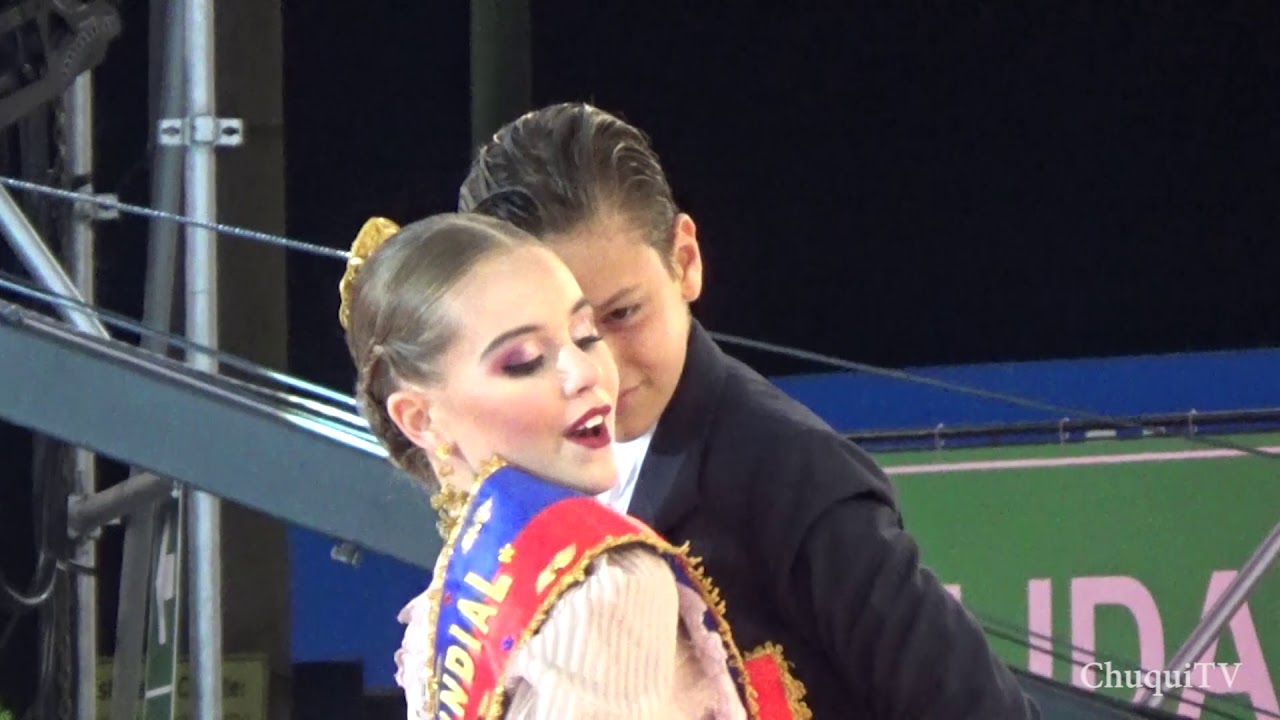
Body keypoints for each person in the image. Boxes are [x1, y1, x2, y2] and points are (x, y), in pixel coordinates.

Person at [457, 102, 1041, 719]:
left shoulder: (791, 473)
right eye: (545, 344)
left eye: (622, 314)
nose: (596, 367)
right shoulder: (513, 483)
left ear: (685, 261)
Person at [337, 213, 808, 719]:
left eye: (585, 336)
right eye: (524, 360)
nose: (586, 373)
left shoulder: (439, 619)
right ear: (422, 419)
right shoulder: (607, 585)